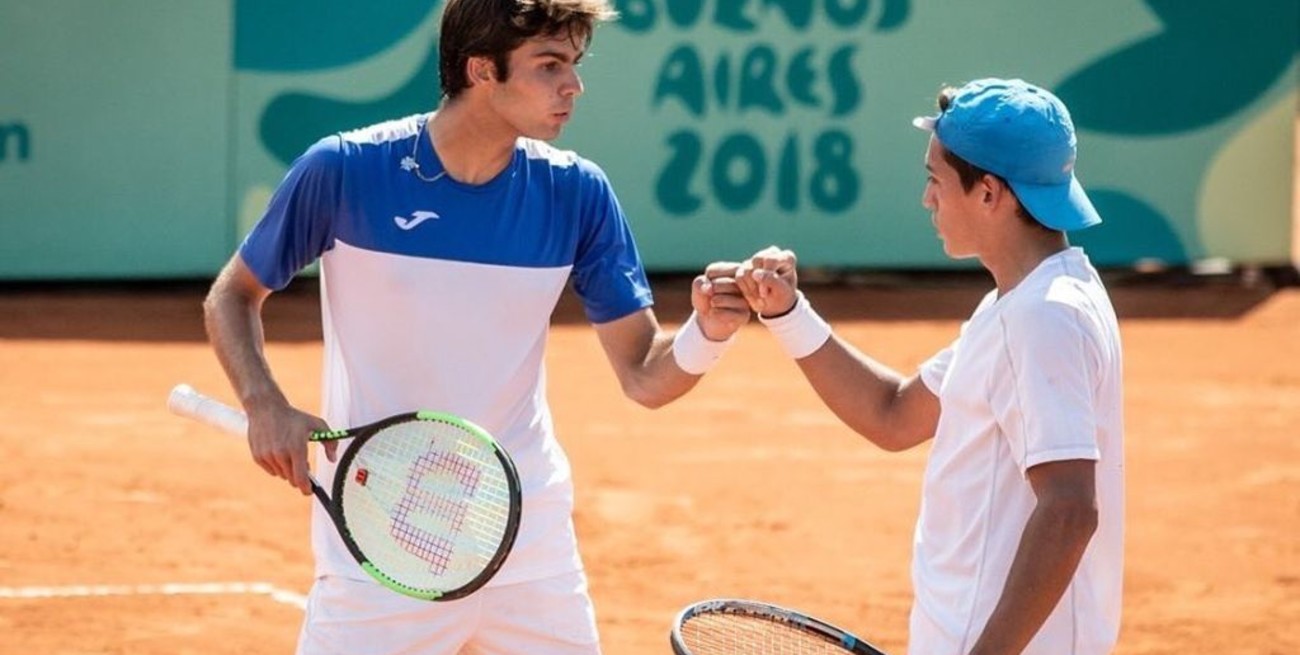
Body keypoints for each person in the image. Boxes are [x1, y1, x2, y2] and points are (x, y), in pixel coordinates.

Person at [202, 1, 750, 653]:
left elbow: (644, 376)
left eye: (574, 64)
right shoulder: (345, 170)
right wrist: (264, 403)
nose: (573, 85)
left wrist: (708, 332)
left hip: (528, 538)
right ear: (482, 70)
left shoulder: (578, 193)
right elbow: (233, 294)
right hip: (382, 536)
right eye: (550, 66)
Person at [726, 78, 1124, 655]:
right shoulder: (1023, 303)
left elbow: (1069, 509)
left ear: (989, 193)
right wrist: (788, 313)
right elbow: (893, 414)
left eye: (935, 179)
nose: (926, 199)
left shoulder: (1044, 317)